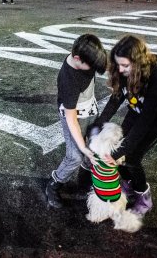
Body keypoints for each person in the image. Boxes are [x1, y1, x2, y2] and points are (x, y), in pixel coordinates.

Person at [91, 35, 157, 216]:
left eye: (125, 66)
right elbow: (116, 99)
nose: (120, 69)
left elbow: (144, 123)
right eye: (118, 65)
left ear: (138, 64)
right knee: (120, 152)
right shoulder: (122, 71)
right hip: (137, 109)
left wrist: (117, 153)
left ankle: (144, 198)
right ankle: (130, 183)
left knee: (130, 157)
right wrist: (97, 124)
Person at [45, 34, 108, 209]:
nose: (92, 70)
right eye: (90, 67)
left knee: (93, 150)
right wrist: (82, 148)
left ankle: (84, 182)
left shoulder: (88, 56)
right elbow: (71, 118)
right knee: (75, 156)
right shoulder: (69, 79)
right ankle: (54, 184)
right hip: (73, 116)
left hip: (90, 109)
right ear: (77, 58)